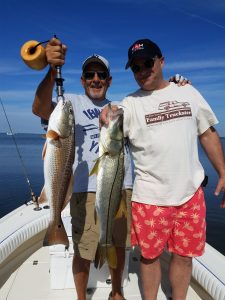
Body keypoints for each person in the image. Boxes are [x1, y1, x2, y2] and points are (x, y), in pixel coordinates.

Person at [32, 37, 191, 300]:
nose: (96, 79)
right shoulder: (68, 104)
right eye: (90, 74)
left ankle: (117, 291)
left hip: (122, 185)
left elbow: (157, 112)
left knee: (118, 246)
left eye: (101, 74)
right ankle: (81, 297)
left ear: (109, 80)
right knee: (84, 250)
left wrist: (175, 86)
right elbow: (39, 107)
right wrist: (51, 70)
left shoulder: (121, 107)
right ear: (82, 80)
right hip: (86, 188)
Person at [100, 38, 225, 300]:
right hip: (149, 199)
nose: (142, 71)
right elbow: (115, 111)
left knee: (183, 256)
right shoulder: (131, 103)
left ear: (161, 61)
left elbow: (208, 133)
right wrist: (109, 110)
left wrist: (223, 172)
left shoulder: (188, 92)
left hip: (190, 195)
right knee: (149, 257)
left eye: (147, 63)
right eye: (135, 67)